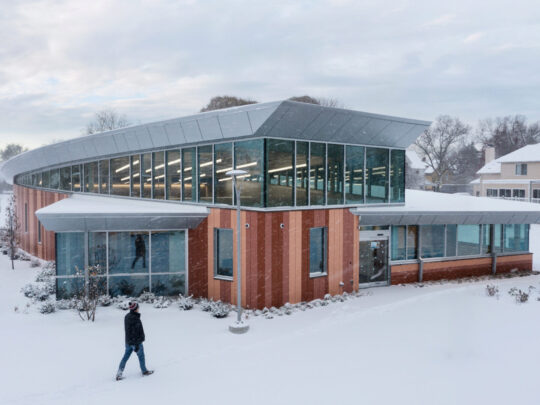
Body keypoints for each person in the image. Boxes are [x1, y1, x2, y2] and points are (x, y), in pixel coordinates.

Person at [116, 302, 154, 380]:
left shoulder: (127, 316)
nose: (138, 309)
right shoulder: (135, 318)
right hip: (136, 342)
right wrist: (136, 344)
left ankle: (119, 374)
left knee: (125, 357)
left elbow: (128, 331)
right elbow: (134, 332)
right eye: (138, 308)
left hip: (128, 342)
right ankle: (144, 371)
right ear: (135, 309)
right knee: (141, 356)